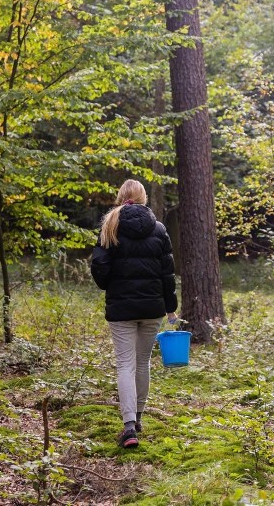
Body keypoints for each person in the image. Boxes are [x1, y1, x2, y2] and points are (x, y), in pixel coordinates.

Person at [90, 179, 178, 449]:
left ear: (120, 197)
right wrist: (170, 306)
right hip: (152, 307)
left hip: (121, 308)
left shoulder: (110, 225)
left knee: (125, 364)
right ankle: (138, 417)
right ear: (143, 198)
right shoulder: (159, 228)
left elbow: (99, 267)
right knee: (143, 363)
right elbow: (167, 272)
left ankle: (129, 427)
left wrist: (110, 284)